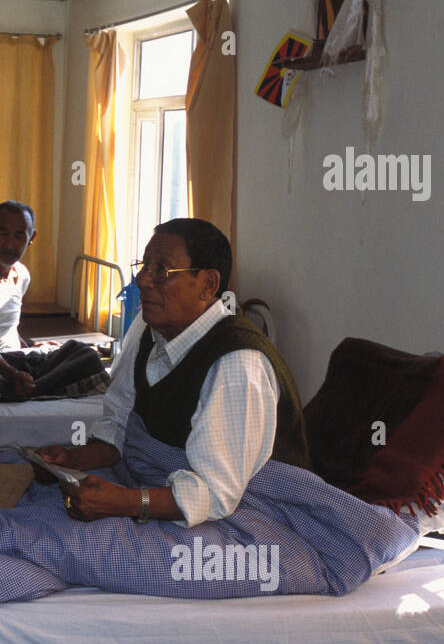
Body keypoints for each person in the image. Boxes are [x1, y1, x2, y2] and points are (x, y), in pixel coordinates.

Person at [38, 218, 310, 527]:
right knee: (39, 499)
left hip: (251, 514)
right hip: (157, 481)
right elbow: (120, 416)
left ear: (208, 285)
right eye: (144, 265)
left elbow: (217, 494)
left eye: (161, 271)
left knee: (63, 543)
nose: (142, 280)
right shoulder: (146, 326)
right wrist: (73, 461)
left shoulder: (236, 363)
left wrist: (125, 502)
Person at [0, 201, 106, 401]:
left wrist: (29, 350)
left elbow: (9, 330)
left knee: (84, 353)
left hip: (11, 359)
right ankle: (27, 388)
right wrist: (12, 374)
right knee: (80, 362)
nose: (10, 244)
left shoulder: (22, 275)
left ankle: (27, 387)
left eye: (19, 236)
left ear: (31, 238)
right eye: (3, 233)